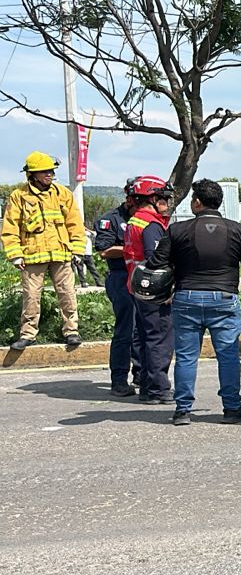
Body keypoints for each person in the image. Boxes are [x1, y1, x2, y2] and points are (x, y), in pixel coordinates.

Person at [146, 179, 241, 426]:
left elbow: (156, 263)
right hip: (224, 299)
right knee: (228, 356)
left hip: (186, 298)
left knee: (186, 357)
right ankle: (232, 407)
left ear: (198, 202)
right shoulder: (239, 230)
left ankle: (182, 410)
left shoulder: (177, 230)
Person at [4, 151, 87, 350]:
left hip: (61, 253)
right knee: (31, 295)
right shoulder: (19, 196)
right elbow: (10, 227)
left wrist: (77, 249)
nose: (49, 174)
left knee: (67, 293)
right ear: (32, 174)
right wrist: (15, 254)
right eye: (44, 171)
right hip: (32, 256)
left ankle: (71, 331)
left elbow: (74, 223)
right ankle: (28, 334)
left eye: (51, 171)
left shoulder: (62, 194)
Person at [122, 176, 175, 404]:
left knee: (144, 337)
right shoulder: (151, 225)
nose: (167, 203)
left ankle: (146, 386)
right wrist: (167, 290)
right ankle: (158, 389)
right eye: (163, 198)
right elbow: (157, 260)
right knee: (160, 339)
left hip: (137, 287)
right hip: (153, 290)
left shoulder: (135, 221)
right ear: (152, 198)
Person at [94, 181, 142, 395]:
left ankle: (142, 374)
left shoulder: (147, 219)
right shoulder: (110, 219)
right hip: (121, 277)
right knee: (126, 329)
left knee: (143, 329)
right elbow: (104, 250)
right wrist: (131, 249)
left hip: (143, 277)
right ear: (130, 199)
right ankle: (119, 379)